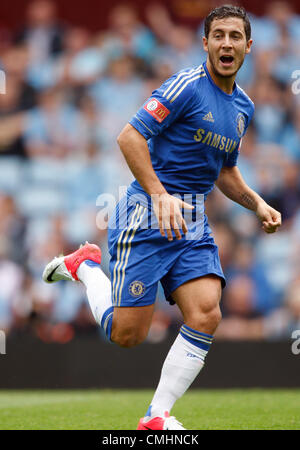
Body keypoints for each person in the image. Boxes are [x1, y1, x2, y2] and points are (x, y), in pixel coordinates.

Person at [43, 5, 281, 430]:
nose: (227, 43)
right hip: (146, 215)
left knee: (207, 313)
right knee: (126, 335)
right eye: (219, 35)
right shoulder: (186, 85)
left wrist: (257, 203)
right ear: (205, 43)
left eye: (235, 36)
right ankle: (86, 268)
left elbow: (224, 171)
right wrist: (159, 195)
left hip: (192, 220)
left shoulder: (242, 107)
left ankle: (156, 416)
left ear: (248, 45)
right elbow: (129, 136)